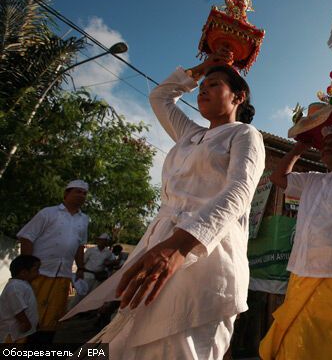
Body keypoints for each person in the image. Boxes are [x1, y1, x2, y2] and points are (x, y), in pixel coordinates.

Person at [62, 48, 265, 360]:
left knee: (181, 348)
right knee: (129, 345)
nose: (204, 90)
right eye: (203, 86)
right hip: (158, 245)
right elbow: (160, 97)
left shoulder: (245, 135)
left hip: (205, 255)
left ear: (238, 97)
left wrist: (180, 246)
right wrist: (202, 68)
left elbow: (239, 191)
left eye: (214, 85)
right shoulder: (189, 134)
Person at [259, 121, 332, 360]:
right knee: (297, 336)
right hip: (304, 270)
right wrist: (299, 148)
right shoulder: (311, 180)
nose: (328, 147)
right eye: (324, 145)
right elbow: (278, 177)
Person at [17, 179, 89, 343]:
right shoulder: (48, 213)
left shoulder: (84, 220)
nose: (81, 196)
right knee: (27, 317)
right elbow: (27, 237)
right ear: (66, 194)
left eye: (84, 193)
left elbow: (80, 246)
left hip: (62, 276)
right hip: (38, 274)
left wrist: (81, 269)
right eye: (77, 191)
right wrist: (27, 267)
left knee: (51, 322)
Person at [0, 255, 40, 343]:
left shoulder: (22, 284)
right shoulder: (15, 287)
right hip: (13, 333)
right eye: (35, 270)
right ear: (23, 273)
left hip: (23, 332)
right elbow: (18, 308)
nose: (38, 273)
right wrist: (25, 323)